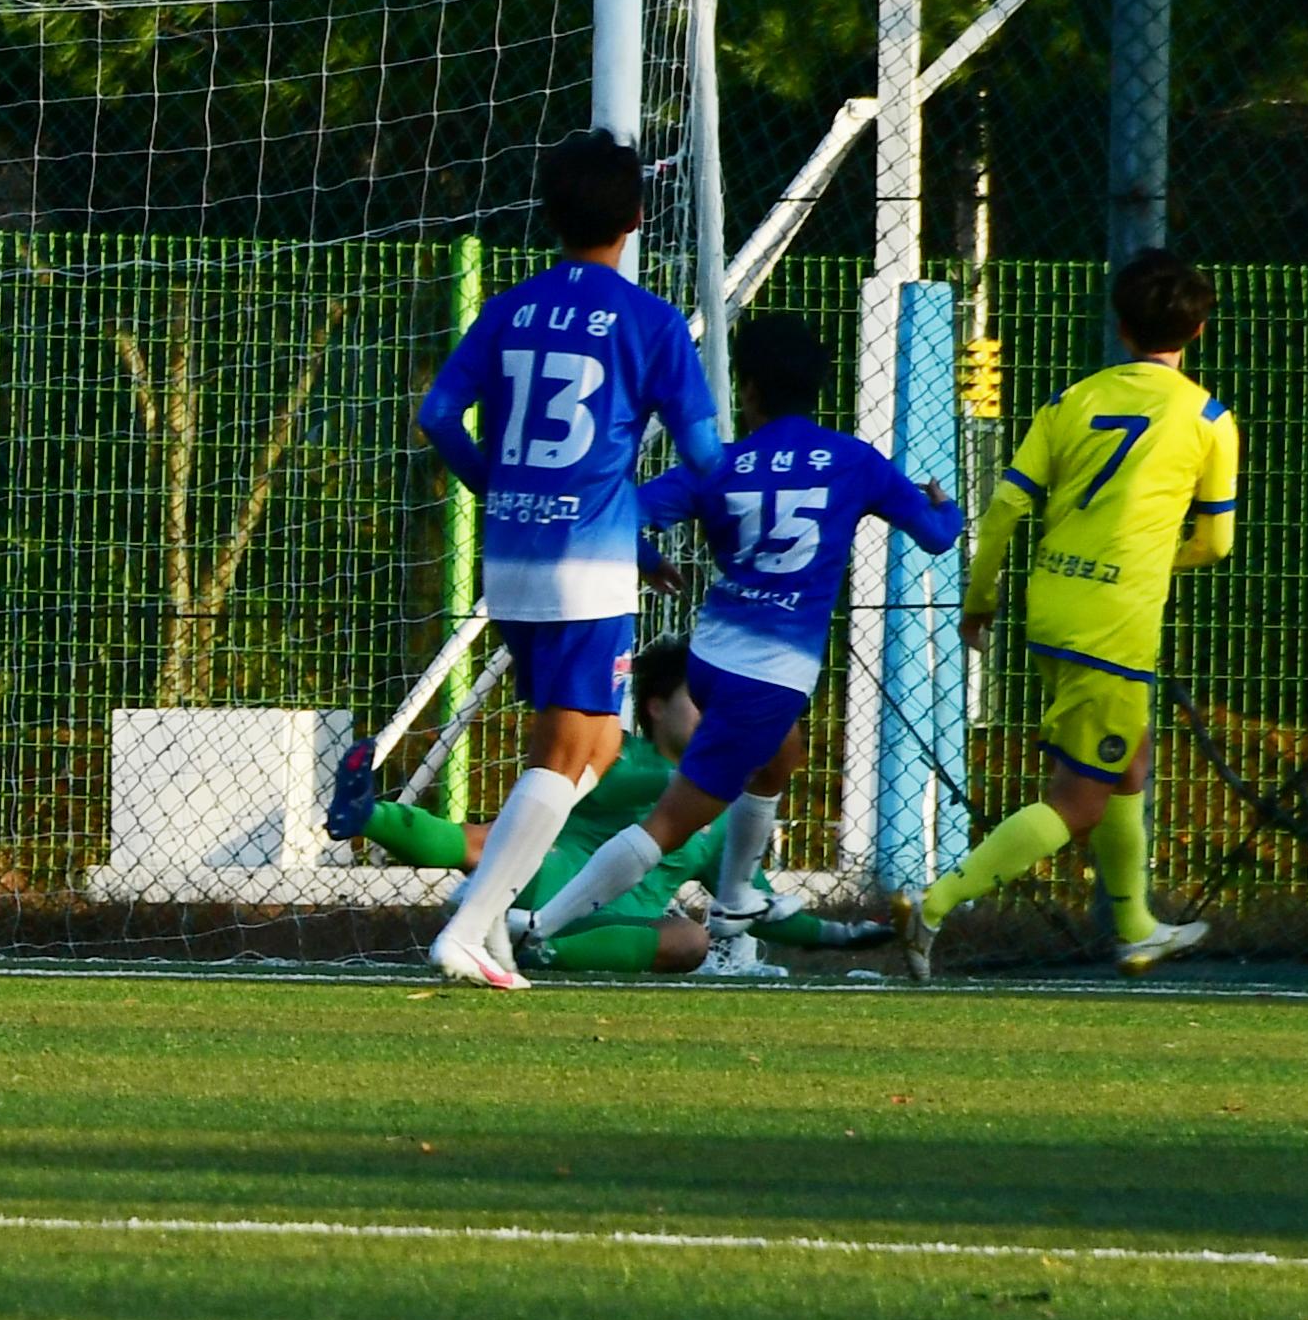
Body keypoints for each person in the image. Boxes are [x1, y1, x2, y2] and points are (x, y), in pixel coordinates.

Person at [521, 314, 962, 971]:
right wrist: (946, 505)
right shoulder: (854, 462)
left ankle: (733, 898)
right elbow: (935, 535)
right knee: (671, 823)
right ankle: (535, 929)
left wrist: (645, 555)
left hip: (712, 659)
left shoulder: (719, 464)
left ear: (748, 390)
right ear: (818, 387)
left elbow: (621, 512)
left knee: (781, 755)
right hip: (772, 672)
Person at [408, 132, 726, 989]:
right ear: (635, 217)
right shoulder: (651, 321)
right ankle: (470, 928)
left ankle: (498, 923)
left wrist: (499, 487)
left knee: (585, 747)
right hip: (585, 571)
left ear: (549, 214)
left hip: (511, 553)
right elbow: (704, 453)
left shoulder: (510, 306)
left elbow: (439, 414)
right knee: (575, 754)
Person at [893, 249, 1239, 976]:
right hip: (1115, 623)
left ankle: (1137, 924)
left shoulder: (1069, 402)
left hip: (1051, 599)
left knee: (1130, 762)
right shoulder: (1209, 418)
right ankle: (934, 903)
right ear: (1199, 330)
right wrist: (1149, 556)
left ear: (1117, 327)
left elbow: (1006, 506)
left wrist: (979, 599)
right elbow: (1215, 542)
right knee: (1078, 800)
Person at [338, 641, 743, 976]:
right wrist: (680, 782)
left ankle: (543, 949)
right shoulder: (619, 750)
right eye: (700, 700)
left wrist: (808, 932)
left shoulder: (720, 809)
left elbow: (751, 895)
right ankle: (367, 814)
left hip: (614, 924)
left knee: (691, 940)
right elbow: (608, 786)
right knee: (490, 841)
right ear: (656, 706)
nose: (714, 715)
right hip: (546, 875)